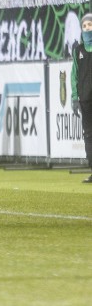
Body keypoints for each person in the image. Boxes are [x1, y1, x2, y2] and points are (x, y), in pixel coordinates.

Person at [70, 13, 92, 184]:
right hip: (85, 100)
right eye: (84, 26)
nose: (87, 29)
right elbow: (74, 75)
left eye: (90, 25)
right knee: (89, 135)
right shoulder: (78, 50)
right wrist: (75, 98)